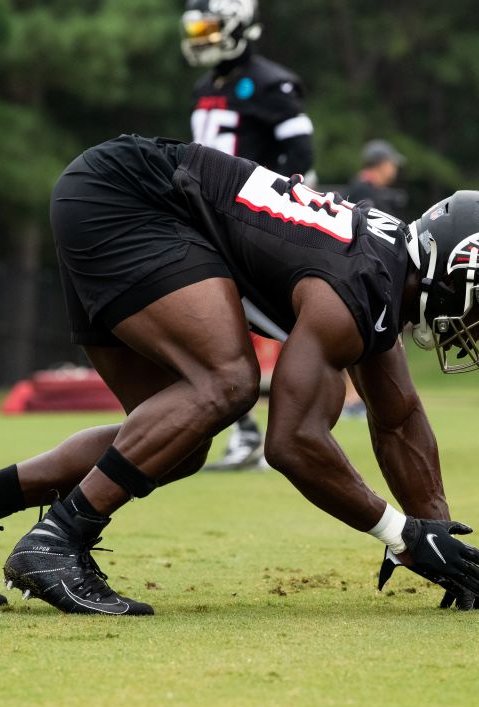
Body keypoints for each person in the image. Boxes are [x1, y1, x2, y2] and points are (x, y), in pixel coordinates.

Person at [0, 134, 479, 615]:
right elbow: (291, 443)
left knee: (171, 442)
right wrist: (398, 532)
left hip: (115, 195)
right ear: (461, 271)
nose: (475, 325)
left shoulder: (381, 273)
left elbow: (398, 420)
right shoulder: (361, 282)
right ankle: (59, 541)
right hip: (129, 199)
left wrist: (441, 545)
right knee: (228, 385)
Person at [182, 0, 316, 470]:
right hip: (209, 219)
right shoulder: (206, 86)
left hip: (254, 221)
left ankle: (288, 429)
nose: (201, 36)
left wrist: (276, 211)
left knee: (272, 325)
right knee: (219, 326)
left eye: (209, 27)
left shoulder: (267, 81)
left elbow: (300, 156)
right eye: (195, 28)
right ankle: (247, 430)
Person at [345, 139, 408, 218]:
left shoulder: (364, 188)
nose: (395, 168)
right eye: (392, 164)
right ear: (382, 164)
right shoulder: (363, 191)